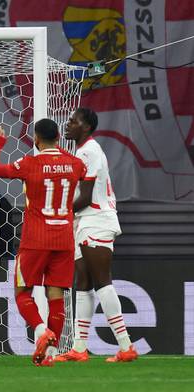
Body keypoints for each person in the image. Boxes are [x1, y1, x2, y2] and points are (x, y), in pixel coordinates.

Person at [0, 120, 86, 366]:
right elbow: (84, 176)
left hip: (35, 239)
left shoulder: (30, 164)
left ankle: (42, 331)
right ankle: (50, 355)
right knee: (56, 296)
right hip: (64, 238)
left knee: (22, 292)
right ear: (59, 137)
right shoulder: (75, 163)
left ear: (36, 140)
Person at [56, 108, 138, 363]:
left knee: (102, 281)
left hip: (97, 220)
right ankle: (79, 348)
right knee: (82, 282)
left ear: (87, 128)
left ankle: (126, 346)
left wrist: (60, 212)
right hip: (85, 222)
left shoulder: (89, 150)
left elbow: (87, 196)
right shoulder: (82, 151)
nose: (68, 125)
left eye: (74, 121)